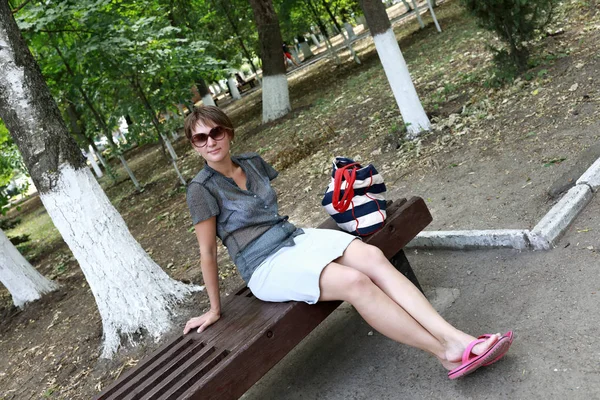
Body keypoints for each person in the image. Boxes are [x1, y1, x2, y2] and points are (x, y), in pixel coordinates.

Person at [182, 106, 513, 379]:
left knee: (371, 258)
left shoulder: (252, 162)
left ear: (228, 132)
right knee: (356, 282)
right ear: (194, 145)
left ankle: (456, 337)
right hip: (264, 265)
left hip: (294, 238)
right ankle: (445, 352)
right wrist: (213, 309)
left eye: (216, 132)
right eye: (200, 138)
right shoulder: (202, 190)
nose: (210, 142)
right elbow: (207, 253)